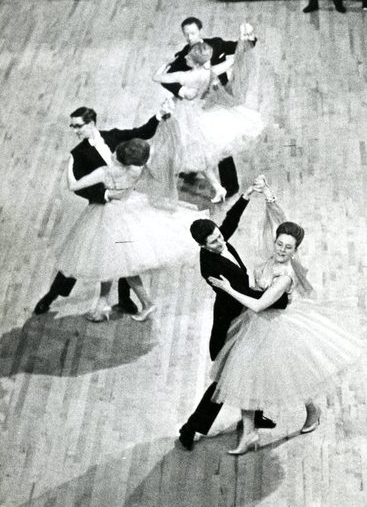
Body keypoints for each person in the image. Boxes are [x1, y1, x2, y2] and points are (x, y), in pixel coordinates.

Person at [208, 206, 364, 455]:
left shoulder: (285, 277)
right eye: (279, 244)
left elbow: (258, 305)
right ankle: (249, 434)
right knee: (245, 376)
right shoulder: (271, 258)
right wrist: (269, 199)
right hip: (255, 327)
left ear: (295, 250)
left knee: (292, 377)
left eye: (288, 247)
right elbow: (276, 223)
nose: (281, 249)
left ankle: (312, 410)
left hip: (277, 327)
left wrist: (228, 289)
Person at [33, 102, 172, 317]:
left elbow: (142, 132)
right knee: (79, 254)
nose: (75, 130)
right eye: (72, 126)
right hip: (101, 208)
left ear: (91, 123)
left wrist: (158, 116)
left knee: (125, 253)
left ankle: (124, 299)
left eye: (78, 126)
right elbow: (81, 188)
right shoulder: (79, 153)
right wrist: (105, 195)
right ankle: (52, 296)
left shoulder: (113, 136)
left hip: (125, 207)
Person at [54, 138, 205, 322]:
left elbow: (73, 186)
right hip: (128, 212)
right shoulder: (136, 170)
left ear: (117, 154)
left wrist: (70, 164)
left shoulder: (105, 172)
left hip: (108, 217)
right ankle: (105, 305)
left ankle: (137, 304)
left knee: (112, 263)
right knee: (115, 264)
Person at [178, 180, 277, 451]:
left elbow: (230, 221)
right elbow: (240, 291)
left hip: (245, 313)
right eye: (214, 241)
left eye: (219, 236)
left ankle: (255, 416)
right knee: (224, 381)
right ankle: (191, 428)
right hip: (232, 322)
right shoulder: (209, 266)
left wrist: (246, 195)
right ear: (203, 246)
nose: (221, 240)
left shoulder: (218, 240)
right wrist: (272, 296)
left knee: (255, 368)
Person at [151, 38, 265, 203]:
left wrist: (166, 65)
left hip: (189, 117)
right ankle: (217, 187)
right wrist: (245, 41)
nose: (185, 58)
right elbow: (234, 60)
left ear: (194, 62)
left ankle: (215, 186)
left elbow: (156, 78)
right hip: (205, 113)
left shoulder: (183, 76)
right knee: (202, 153)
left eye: (189, 57)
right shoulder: (211, 71)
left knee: (193, 151)